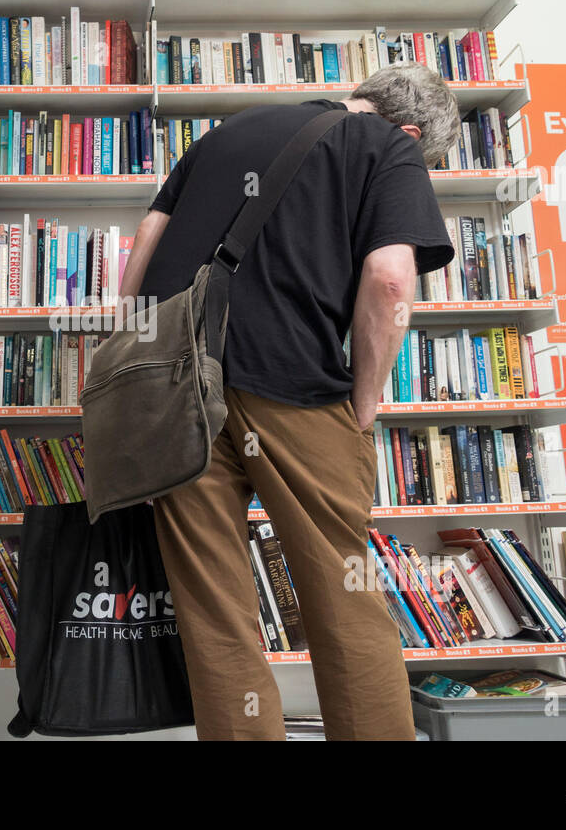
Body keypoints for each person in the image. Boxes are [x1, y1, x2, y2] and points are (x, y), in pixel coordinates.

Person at [118, 62, 460, 740]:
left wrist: (139, 362)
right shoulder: (386, 146)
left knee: (213, 609)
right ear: (412, 131)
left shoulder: (230, 132)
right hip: (293, 388)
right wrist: (363, 406)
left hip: (177, 388)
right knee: (345, 597)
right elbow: (392, 283)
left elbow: (147, 242)